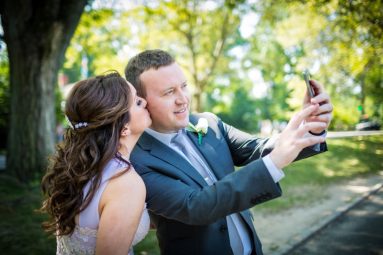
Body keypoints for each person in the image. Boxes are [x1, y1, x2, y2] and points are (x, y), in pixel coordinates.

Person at [125, 49, 333, 255]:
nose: (183, 99)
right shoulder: (138, 160)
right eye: (169, 92)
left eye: (184, 87)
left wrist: (309, 127)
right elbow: (196, 206)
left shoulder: (209, 123)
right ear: (141, 102)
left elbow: (257, 148)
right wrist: (274, 162)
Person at [40, 72, 152, 254]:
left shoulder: (80, 167)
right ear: (123, 128)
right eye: (138, 102)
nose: (146, 101)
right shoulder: (125, 184)